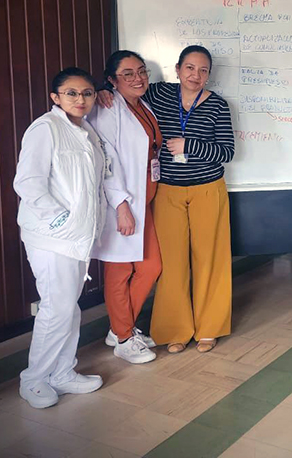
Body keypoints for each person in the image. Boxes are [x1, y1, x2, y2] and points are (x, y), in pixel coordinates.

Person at [13, 67, 107, 409]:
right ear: (56, 97)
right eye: (72, 93)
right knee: (56, 308)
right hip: (53, 237)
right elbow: (28, 183)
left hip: (78, 237)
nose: (80, 99)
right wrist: (59, 219)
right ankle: (34, 379)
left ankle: (63, 373)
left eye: (87, 93)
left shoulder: (86, 132)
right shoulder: (46, 128)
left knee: (68, 308)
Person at [145, 45, 235, 354]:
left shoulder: (218, 106)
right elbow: (125, 90)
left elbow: (227, 152)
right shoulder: (159, 95)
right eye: (190, 68)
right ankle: (175, 330)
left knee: (210, 260)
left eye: (203, 70)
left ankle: (209, 328)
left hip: (208, 189)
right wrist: (104, 92)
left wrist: (190, 145)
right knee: (171, 263)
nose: (196, 75)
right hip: (167, 190)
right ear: (178, 68)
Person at [88, 51, 163, 364]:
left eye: (142, 71)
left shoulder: (142, 105)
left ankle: (121, 327)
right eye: (128, 73)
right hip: (121, 203)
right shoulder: (107, 108)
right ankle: (122, 337)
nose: (138, 78)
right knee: (119, 272)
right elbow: (106, 162)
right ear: (112, 80)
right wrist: (120, 205)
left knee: (151, 267)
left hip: (143, 199)